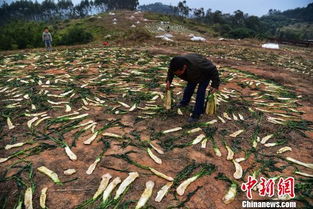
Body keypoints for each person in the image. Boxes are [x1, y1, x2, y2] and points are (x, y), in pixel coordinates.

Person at [166, 54, 220, 122]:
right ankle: (184, 102)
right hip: (192, 75)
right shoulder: (175, 64)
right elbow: (171, 72)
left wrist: (215, 85)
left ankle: (196, 114)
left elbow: (213, 69)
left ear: (184, 67)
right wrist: (168, 80)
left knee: (200, 93)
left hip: (205, 75)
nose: (178, 75)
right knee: (189, 88)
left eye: (179, 73)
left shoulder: (199, 64)